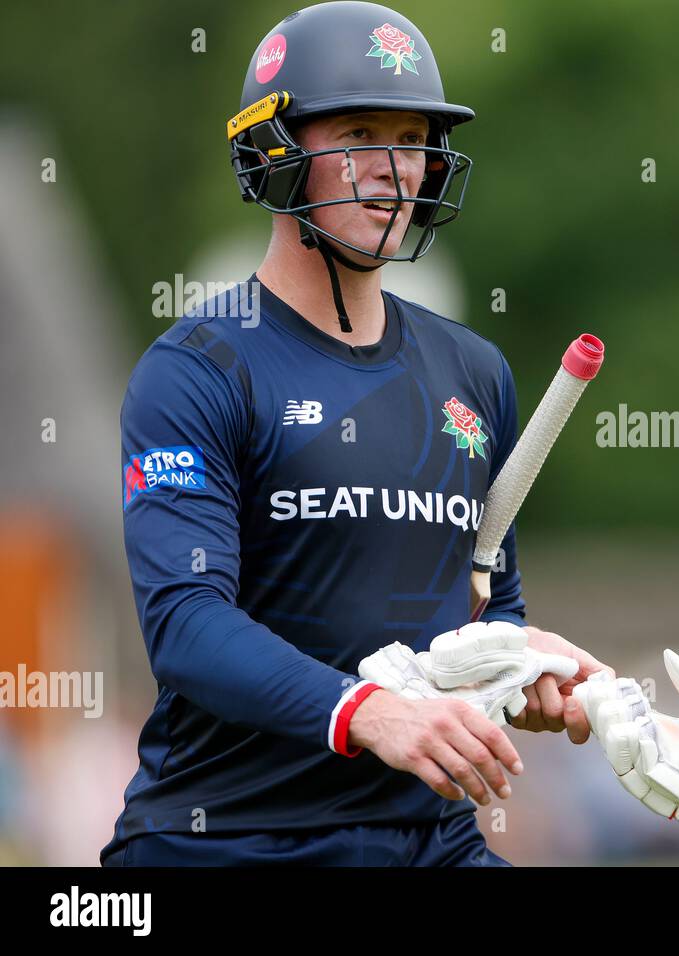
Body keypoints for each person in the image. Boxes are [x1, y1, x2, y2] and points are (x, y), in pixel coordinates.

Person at [102, 0, 609, 867]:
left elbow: (490, 601)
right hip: (230, 842)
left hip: (431, 842)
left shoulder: (473, 370)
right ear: (276, 152)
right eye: (361, 133)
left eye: (411, 140)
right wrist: (368, 711)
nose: (393, 170)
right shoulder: (196, 369)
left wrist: (519, 672)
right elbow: (185, 625)